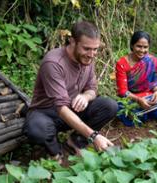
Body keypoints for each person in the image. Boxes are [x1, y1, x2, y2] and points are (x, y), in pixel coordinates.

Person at [23, 21, 118, 160]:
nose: (92, 54)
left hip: (71, 109)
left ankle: (76, 141)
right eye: (86, 48)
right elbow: (60, 108)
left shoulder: (87, 59)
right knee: (37, 129)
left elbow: (92, 89)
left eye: (95, 49)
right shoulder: (54, 63)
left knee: (110, 106)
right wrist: (93, 135)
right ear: (72, 41)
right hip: (48, 112)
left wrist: (85, 96)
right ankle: (55, 152)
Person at [115, 31, 157, 126]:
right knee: (122, 109)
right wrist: (138, 100)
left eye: (145, 47)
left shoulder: (151, 60)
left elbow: (156, 82)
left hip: (148, 95)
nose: (142, 50)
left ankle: (144, 115)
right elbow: (122, 92)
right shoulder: (122, 63)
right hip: (131, 98)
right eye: (139, 46)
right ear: (132, 45)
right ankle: (144, 116)